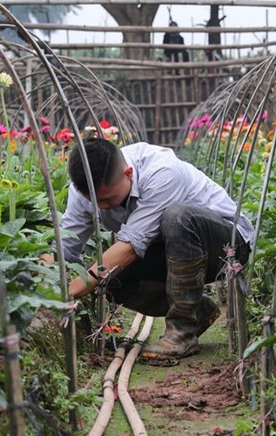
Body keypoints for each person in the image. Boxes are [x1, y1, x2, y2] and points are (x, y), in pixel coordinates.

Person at [58, 137, 255, 361]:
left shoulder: (163, 172)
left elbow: (130, 247)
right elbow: (66, 244)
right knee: (112, 280)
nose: (101, 207)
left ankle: (182, 333)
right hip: (168, 250)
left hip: (226, 245)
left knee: (177, 217)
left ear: (128, 173)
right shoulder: (84, 190)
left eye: (107, 199)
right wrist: (43, 281)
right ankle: (197, 311)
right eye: (93, 201)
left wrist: (72, 289)